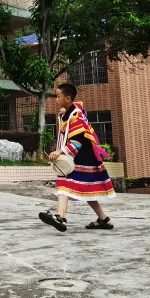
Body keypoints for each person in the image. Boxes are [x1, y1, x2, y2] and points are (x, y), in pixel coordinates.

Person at [39, 83, 115, 232]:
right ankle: (103, 219)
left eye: (58, 96)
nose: (56, 99)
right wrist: (64, 112)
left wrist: (60, 152)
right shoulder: (72, 112)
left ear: (68, 98)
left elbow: (77, 141)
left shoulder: (76, 117)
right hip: (84, 158)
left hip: (83, 159)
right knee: (85, 190)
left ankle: (61, 218)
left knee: (65, 185)